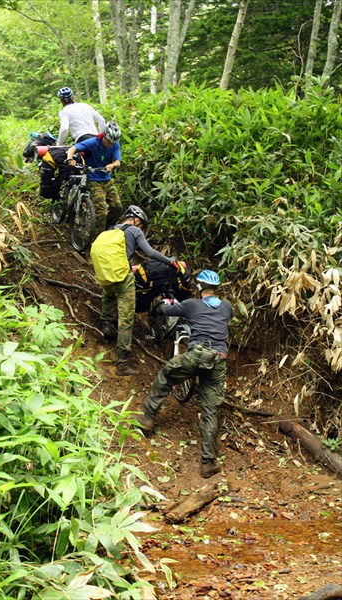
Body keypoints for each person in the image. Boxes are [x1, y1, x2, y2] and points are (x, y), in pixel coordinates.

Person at [133, 270, 233, 478]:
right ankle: (208, 463)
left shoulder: (192, 305)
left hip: (196, 355)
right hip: (218, 360)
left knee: (167, 374)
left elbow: (168, 311)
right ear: (215, 288)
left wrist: (163, 304)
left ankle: (147, 417)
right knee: (210, 410)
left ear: (199, 287)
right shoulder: (227, 307)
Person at [91, 205, 182, 376]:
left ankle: (106, 324)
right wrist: (169, 261)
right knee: (126, 318)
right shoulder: (134, 230)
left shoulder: (112, 229)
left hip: (105, 274)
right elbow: (149, 252)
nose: (141, 229)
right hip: (123, 278)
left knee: (109, 293)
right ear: (137, 220)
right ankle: (122, 363)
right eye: (142, 226)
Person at [66, 120, 123, 237]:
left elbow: (118, 162)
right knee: (101, 211)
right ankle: (96, 240)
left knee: (117, 207)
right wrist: (69, 159)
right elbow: (73, 148)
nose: (110, 145)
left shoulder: (115, 144)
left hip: (107, 179)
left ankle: (106, 231)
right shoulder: (93, 142)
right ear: (104, 137)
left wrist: (112, 165)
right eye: (109, 141)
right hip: (93, 180)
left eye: (113, 142)